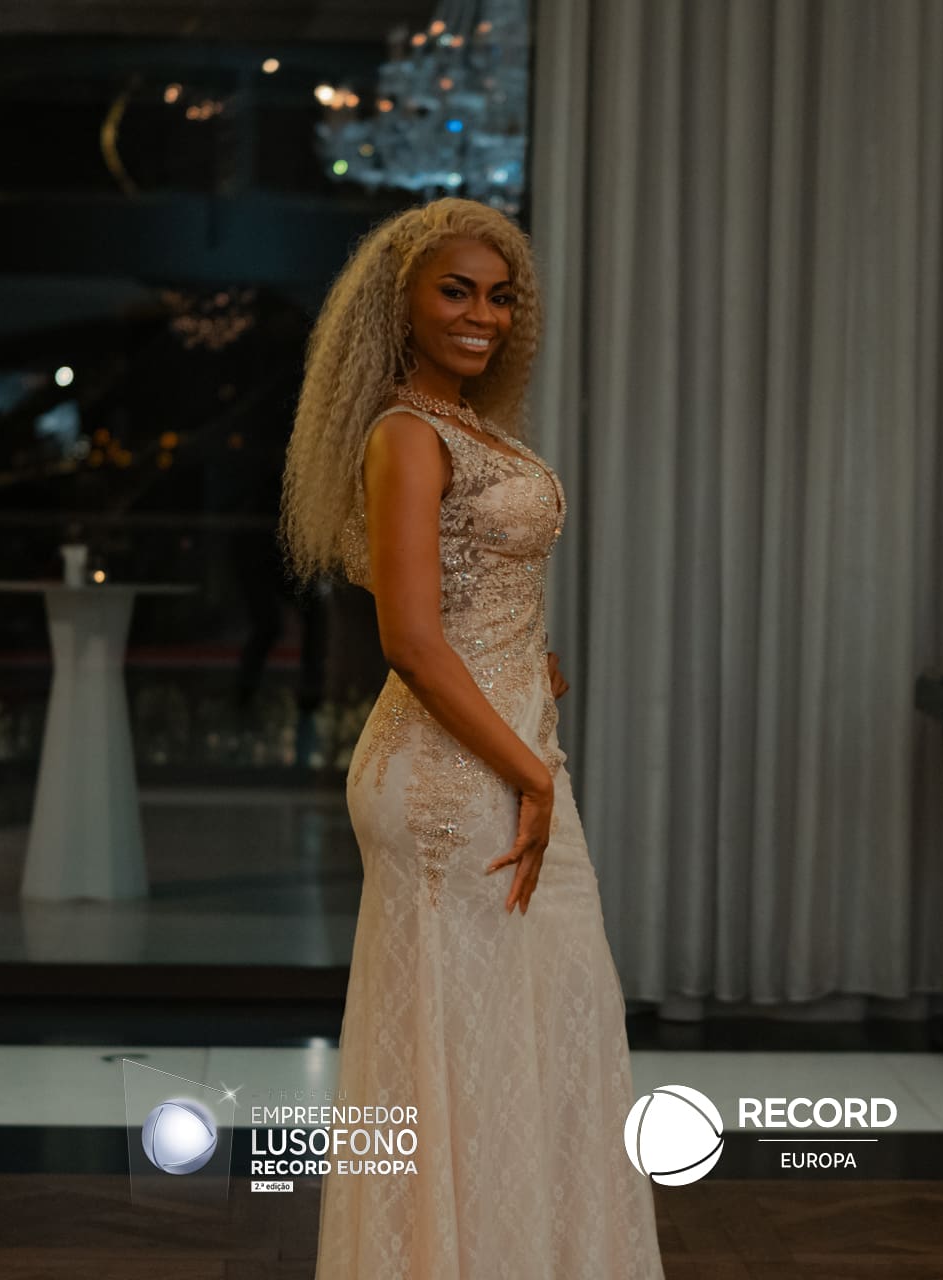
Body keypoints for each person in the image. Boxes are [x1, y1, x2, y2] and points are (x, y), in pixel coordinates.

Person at [280, 198, 665, 1277]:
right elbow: (409, 636)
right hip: (453, 778)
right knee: (475, 1038)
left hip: (503, 750)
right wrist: (530, 772)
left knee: (542, 1025)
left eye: (500, 297)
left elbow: (471, 597)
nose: (482, 315)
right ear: (400, 302)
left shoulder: (471, 427)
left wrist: (529, 663)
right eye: (455, 291)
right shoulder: (406, 434)